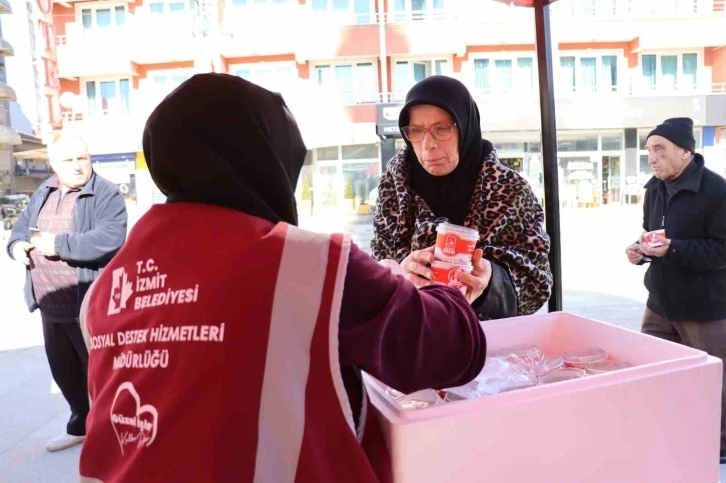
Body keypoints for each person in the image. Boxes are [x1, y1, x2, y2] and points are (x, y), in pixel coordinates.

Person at [77, 74, 487, 482]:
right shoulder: (304, 264)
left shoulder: (105, 289)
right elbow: (450, 351)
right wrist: (440, 286)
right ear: (265, 161)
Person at [371, 75, 552, 319]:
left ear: (465, 126)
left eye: (442, 129)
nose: (428, 145)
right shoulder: (395, 186)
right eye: (416, 131)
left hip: (488, 342)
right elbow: (375, 273)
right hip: (413, 339)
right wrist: (400, 273)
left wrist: (491, 283)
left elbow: (538, 285)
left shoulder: (511, 190)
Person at [5, 134, 127, 452]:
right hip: (49, 302)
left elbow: (110, 238)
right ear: (54, 164)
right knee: (64, 372)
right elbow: (20, 228)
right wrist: (16, 246)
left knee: (99, 375)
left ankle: (112, 434)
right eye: (68, 160)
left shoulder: (105, 192)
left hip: (85, 302)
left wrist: (58, 245)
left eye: (82, 158)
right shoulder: (44, 190)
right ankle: (79, 426)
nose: (76, 166)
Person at [624, 117, 726, 464]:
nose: (652, 157)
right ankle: (669, 430)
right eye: (649, 150)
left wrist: (674, 248)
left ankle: (720, 446)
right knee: (654, 370)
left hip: (704, 307)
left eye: (660, 149)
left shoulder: (717, 191)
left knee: (714, 381)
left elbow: (721, 250)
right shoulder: (654, 189)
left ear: (685, 151)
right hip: (660, 303)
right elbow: (651, 234)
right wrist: (639, 251)